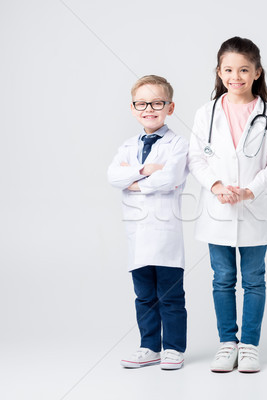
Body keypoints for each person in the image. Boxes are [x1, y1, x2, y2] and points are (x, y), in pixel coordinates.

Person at [188, 37, 267, 373]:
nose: (236, 76)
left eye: (244, 69)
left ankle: (249, 346)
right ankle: (227, 343)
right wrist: (216, 187)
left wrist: (248, 191)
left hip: (253, 207)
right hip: (219, 208)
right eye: (228, 69)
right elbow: (197, 158)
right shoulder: (207, 112)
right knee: (223, 278)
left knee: (254, 280)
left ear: (257, 72)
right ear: (219, 72)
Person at [107, 75, 189, 370]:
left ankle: (174, 348)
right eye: (141, 103)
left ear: (170, 107)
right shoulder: (128, 146)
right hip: (137, 233)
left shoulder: (178, 144)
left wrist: (134, 181)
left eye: (157, 102)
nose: (149, 108)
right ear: (133, 108)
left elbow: (171, 178)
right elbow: (114, 176)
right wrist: (144, 170)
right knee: (144, 296)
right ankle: (149, 346)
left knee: (170, 296)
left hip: (165, 231)